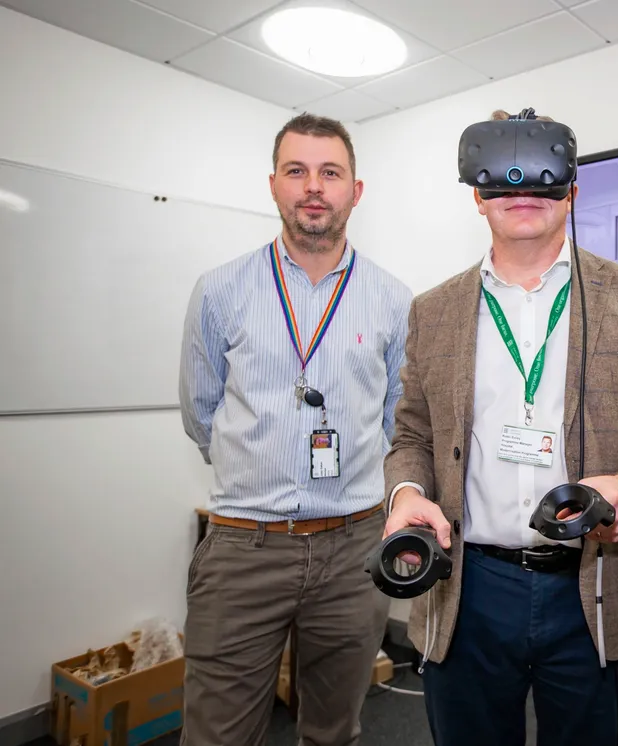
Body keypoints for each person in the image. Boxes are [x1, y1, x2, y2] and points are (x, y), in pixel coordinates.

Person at [382, 108, 618, 746]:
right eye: (501, 179)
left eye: (543, 179)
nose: (521, 192)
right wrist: (408, 494)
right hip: (468, 586)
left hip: (592, 584)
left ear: (573, 191)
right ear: (477, 196)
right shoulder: (433, 310)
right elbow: (412, 435)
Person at [178, 112, 413, 746]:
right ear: (275, 185)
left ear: (354, 191)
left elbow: (397, 421)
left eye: (330, 172)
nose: (314, 186)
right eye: (297, 171)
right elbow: (200, 414)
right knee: (217, 735)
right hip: (242, 550)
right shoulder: (220, 290)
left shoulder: (394, 301)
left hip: (352, 552)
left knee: (333, 732)